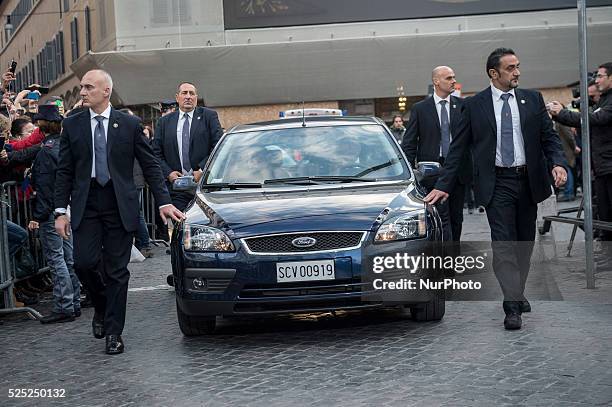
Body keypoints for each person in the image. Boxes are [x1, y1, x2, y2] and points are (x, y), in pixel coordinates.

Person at [424, 48, 566, 330]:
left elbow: (548, 138)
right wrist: (444, 185)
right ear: (494, 73)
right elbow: (458, 149)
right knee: (503, 245)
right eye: (511, 68)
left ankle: (518, 289)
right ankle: (511, 305)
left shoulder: (532, 99)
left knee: (524, 244)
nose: (517, 72)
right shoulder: (474, 105)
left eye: (518, 66)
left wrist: (558, 164)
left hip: (528, 182)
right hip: (497, 184)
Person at [54, 69, 184, 354]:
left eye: (89, 87)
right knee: (83, 263)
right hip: (86, 202)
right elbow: (64, 170)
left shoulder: (128, 123)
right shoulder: (73, 124)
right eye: (82, 87)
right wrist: (60, 211)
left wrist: (163, 200)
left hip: (119, 204)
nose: (83, 92)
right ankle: (101, 306)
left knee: (116, 272)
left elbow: (149, 164)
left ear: (106, 91)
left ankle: (114, 332)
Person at [549, 62, 612, 266]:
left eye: (601, 76)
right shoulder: (604, 99)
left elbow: (594, 119)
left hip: (609, 167)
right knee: (604, 213)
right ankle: (607, 254)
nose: (597, 80)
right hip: (601, 167)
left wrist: (562, 113)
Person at [401, 66, 472, 243]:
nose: (453, 81)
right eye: (449, 78)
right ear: (436, 81)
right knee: (440, 217)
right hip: (431, 172)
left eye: (454, 77)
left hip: (457, 171)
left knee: (457, 218)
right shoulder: (420, 108)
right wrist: (407, 174)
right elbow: (410, 143)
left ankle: (452, 256)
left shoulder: (463, 106)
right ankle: (444, 259)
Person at [28, 104, 81, 324]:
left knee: (57, 258)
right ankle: (74, 301)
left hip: (53, 212)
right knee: (68, 258)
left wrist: (40, 215)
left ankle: (64, 305)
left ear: (42, 125)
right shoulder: (64, 146)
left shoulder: (46, 151)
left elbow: (46, 187)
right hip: (67, 209)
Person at [153, 82, 223, 211]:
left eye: (192, 93)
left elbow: (219, 147)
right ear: (177, 97)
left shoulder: (209, 116)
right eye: (184, 93)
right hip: (177, 189)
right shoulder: (164, 122)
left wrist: (203, 170)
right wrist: (168, 173)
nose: (188, 97)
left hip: (205, 186)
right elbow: (156, 153)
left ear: (196, 97)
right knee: (180, 225)